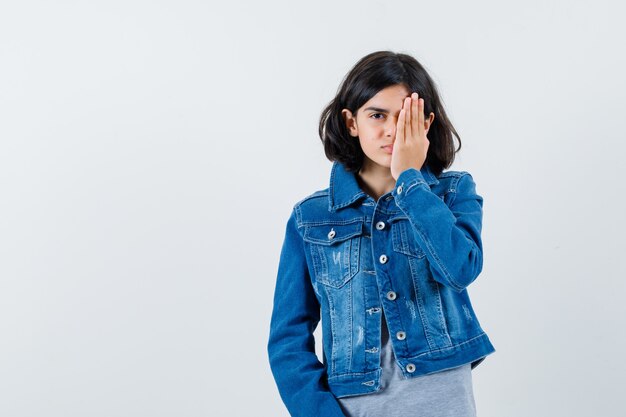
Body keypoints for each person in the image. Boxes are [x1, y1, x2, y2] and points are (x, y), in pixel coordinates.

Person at [267, 50, 496, 417]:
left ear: (426, 124)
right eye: (377, 115)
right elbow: (286, 342)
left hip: (443, 399)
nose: (392, 130)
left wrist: (410, 180)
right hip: (355, 405)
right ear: (351, 122)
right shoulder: (310, 218)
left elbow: (459, 270)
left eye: (405, 116)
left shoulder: (452, 193)